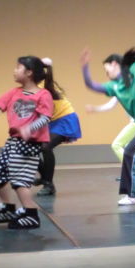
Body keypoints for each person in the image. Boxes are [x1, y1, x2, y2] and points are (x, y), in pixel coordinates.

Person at [82, 17, 135, 205]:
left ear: (115, 64)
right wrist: (84, 67)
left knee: (130, 153)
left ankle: (134, 195)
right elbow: (91, 85)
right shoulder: (114, 86)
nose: (106, 75)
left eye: (106, 70)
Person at [0, 56, 54, 229]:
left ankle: (31, 214)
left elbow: (45, 117)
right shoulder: (14, 92)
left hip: (29, 143)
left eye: (18, 68)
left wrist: (30, 128)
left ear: (29, 72)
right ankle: (8, 208)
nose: (14, 71)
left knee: (19, 178)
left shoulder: (43, 94)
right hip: (13, 140)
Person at [34, 57, 82, 196]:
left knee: (46, 147)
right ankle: (46, 179)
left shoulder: (42, 85)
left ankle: (48, 183)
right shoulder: (34, 87)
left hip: (65, 118)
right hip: (52, 121)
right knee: (32, 149)